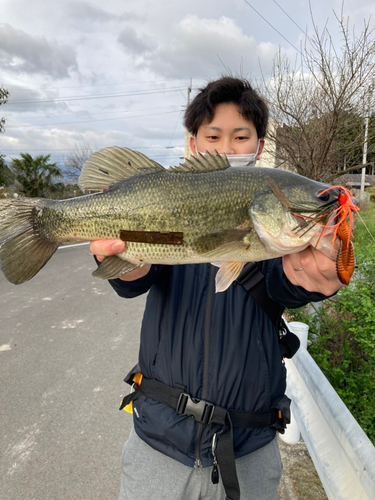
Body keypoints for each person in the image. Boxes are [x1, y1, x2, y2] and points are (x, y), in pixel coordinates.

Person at [90, 77, 344, 500]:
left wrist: (317, 280)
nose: (227, 146)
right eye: (213, 135)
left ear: (259, 145)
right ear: (193, 144)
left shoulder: (273, 244)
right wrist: (122, 262)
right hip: (158, 447)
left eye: (240, 136)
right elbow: (136, 277)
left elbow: (288, 282)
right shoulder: (169, 196)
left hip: (247, 452)